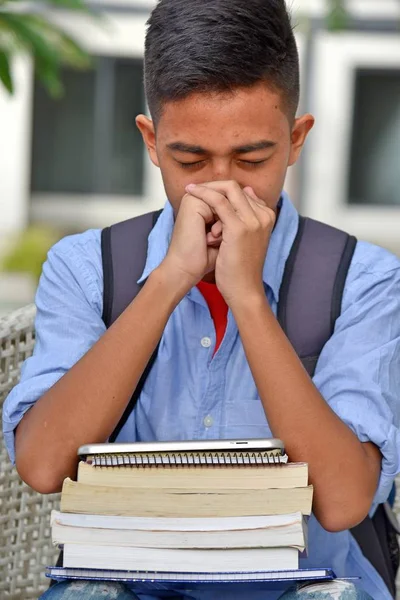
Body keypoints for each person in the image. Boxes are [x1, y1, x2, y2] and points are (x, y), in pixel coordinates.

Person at [3, 0, 400, 599]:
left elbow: (344, 501)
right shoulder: (88, 269)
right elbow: (41, 466)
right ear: (151, 141)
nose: (221, 187)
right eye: (190, 159)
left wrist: (247, 298)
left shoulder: (363, 280)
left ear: (296, 140)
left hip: (307, 585)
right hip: (128, 586)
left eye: (253, 159)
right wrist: (168, 279)